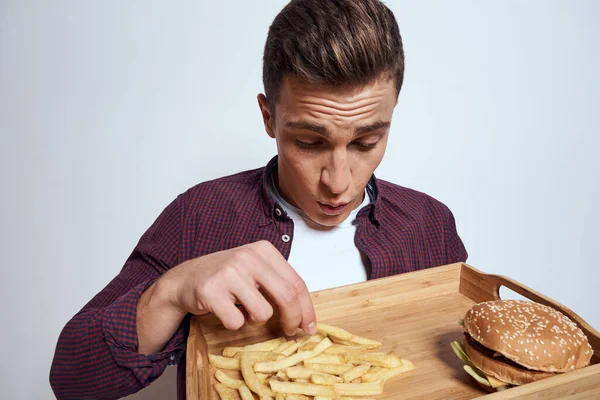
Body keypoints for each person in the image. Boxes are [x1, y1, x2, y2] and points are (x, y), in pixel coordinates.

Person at [49, 0, 468, 398]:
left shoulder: (429, 225)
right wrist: (171, 292)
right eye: (309, 142)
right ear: (269, 117)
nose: (338, 182)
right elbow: (70, 380)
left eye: (366, 142)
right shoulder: (197, 215)